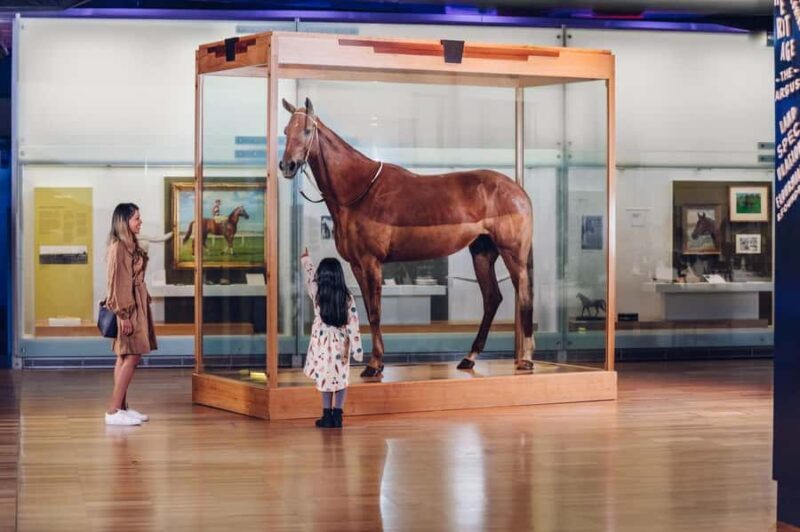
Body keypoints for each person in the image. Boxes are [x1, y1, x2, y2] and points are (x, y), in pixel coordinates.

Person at [104, 203, 158, 426]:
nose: (140, 221)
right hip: (129, 308)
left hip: (136, 305)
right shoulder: (119, 247)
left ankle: (122, 408)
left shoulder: (130, 246)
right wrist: (123, 314)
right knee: (132, 355)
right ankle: (113, 410)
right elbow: (118, 284)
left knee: (124, 356)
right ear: (125, 221)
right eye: (136, 218)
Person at [301, 248, 363, 428]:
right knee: (341, 378)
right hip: (341, 344)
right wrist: (357, 351)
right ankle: (338, 416)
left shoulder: (318, 294)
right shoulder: (348, 298)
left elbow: (311, 277)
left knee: (325, 378)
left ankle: (326, 415)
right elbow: (353, 324)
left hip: (321, 344)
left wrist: (306, 261)